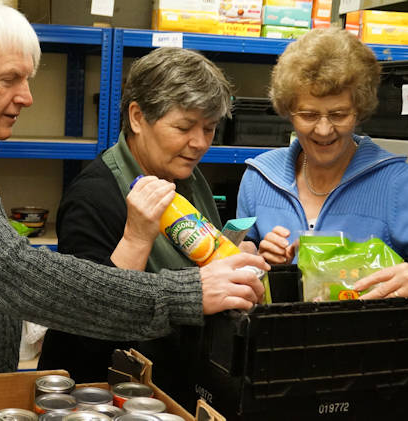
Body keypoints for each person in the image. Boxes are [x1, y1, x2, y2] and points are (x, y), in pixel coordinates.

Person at [0, 0, 268, 387]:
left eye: (27, 79)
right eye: (9, 79)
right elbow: (16, 274)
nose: (27, 97)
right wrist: (187, 294)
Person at [36, 47, 261, 391]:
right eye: (184, 127)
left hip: (171, 383)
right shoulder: (93, 197)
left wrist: (239, 261)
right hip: (106, 392)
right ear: (138, 117)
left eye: (210, 128)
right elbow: (88, 327)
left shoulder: (186, 177)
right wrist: (137, 238)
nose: (199, 143)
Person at [236, 27, 408, 322]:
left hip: (367, 356)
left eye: (339, 114)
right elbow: (234, 267)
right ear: (288, 111)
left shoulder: (401, 186)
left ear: (360, 110)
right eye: (309, 115)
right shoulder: (260, 178)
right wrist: (256, 257)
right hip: (276, 356)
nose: (324, 130)